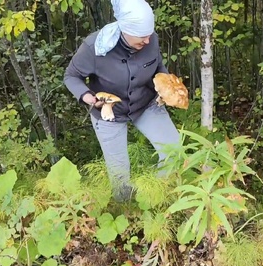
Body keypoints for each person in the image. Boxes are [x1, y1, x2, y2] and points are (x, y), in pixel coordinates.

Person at [64, 0, 180, 202]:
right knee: (119, 171)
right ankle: (125, 206)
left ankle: (156, 194)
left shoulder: (151, 40)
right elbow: (71, 76)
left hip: (146, 104)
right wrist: (88, 97)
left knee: (174, 150)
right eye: (141, 36)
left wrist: (166, 86)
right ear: (125, 30)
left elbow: (158, 66)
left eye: (149, 35)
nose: (147, 41)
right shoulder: (94, 47)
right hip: (109, 112)